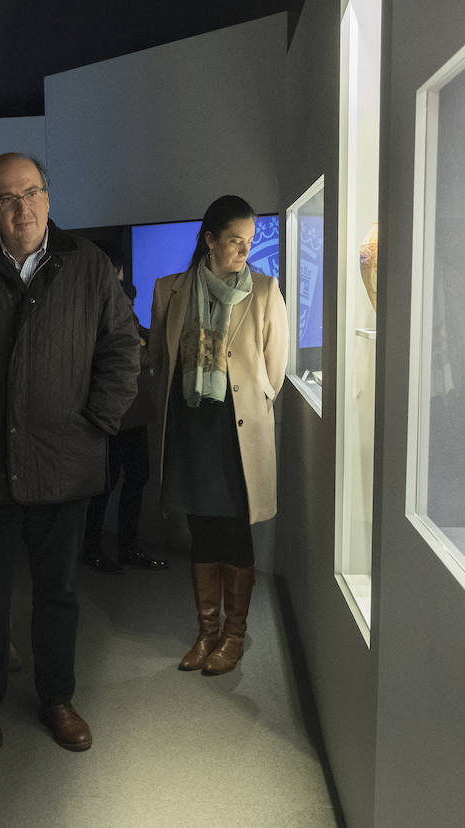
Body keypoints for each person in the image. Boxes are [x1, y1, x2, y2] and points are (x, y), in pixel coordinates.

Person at [0, 152, 138, 755]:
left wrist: (97, 423)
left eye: (31, 193)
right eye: (7, 198)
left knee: (59, 593)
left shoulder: (89, 266)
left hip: (63, 466)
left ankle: (57, 699)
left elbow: (122, 351)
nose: (22, 208)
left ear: (48, 196)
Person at [152, 195, 288, 676]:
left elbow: (273, 372)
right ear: (209, 240)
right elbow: (159, 363)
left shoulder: (266, 291)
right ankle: (206, 633)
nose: (243, 251)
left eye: (249, 242)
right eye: (235, 241)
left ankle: (233, 636)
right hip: (190, 430)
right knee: (201, 531)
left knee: (235, 531)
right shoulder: (170, 290)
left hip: (236, 435)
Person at [82, 249, 166, 573]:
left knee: (131, 478)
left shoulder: (116, 303)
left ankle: (122, 547)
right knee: (107, 483)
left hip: (131, 415)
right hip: (112, 414)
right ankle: (96, 548)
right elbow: (125, 354)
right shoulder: (101, 304)